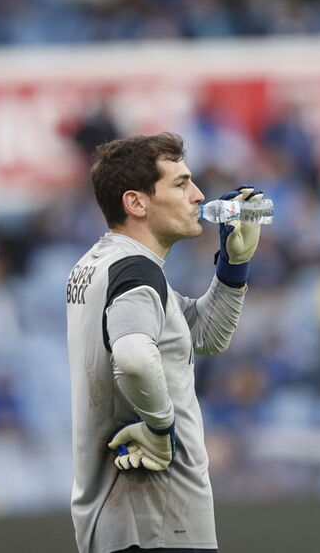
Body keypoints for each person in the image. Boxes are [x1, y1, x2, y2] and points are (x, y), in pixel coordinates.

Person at [66, 132, 263, 553]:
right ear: (136, 203)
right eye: (180, 184)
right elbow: (135, 358)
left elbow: (204, 335)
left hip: (121, 521)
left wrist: (234, 265)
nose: (198, 196)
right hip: (158, 519)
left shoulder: (98, 264)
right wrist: (160, 428)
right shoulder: (136, 272)